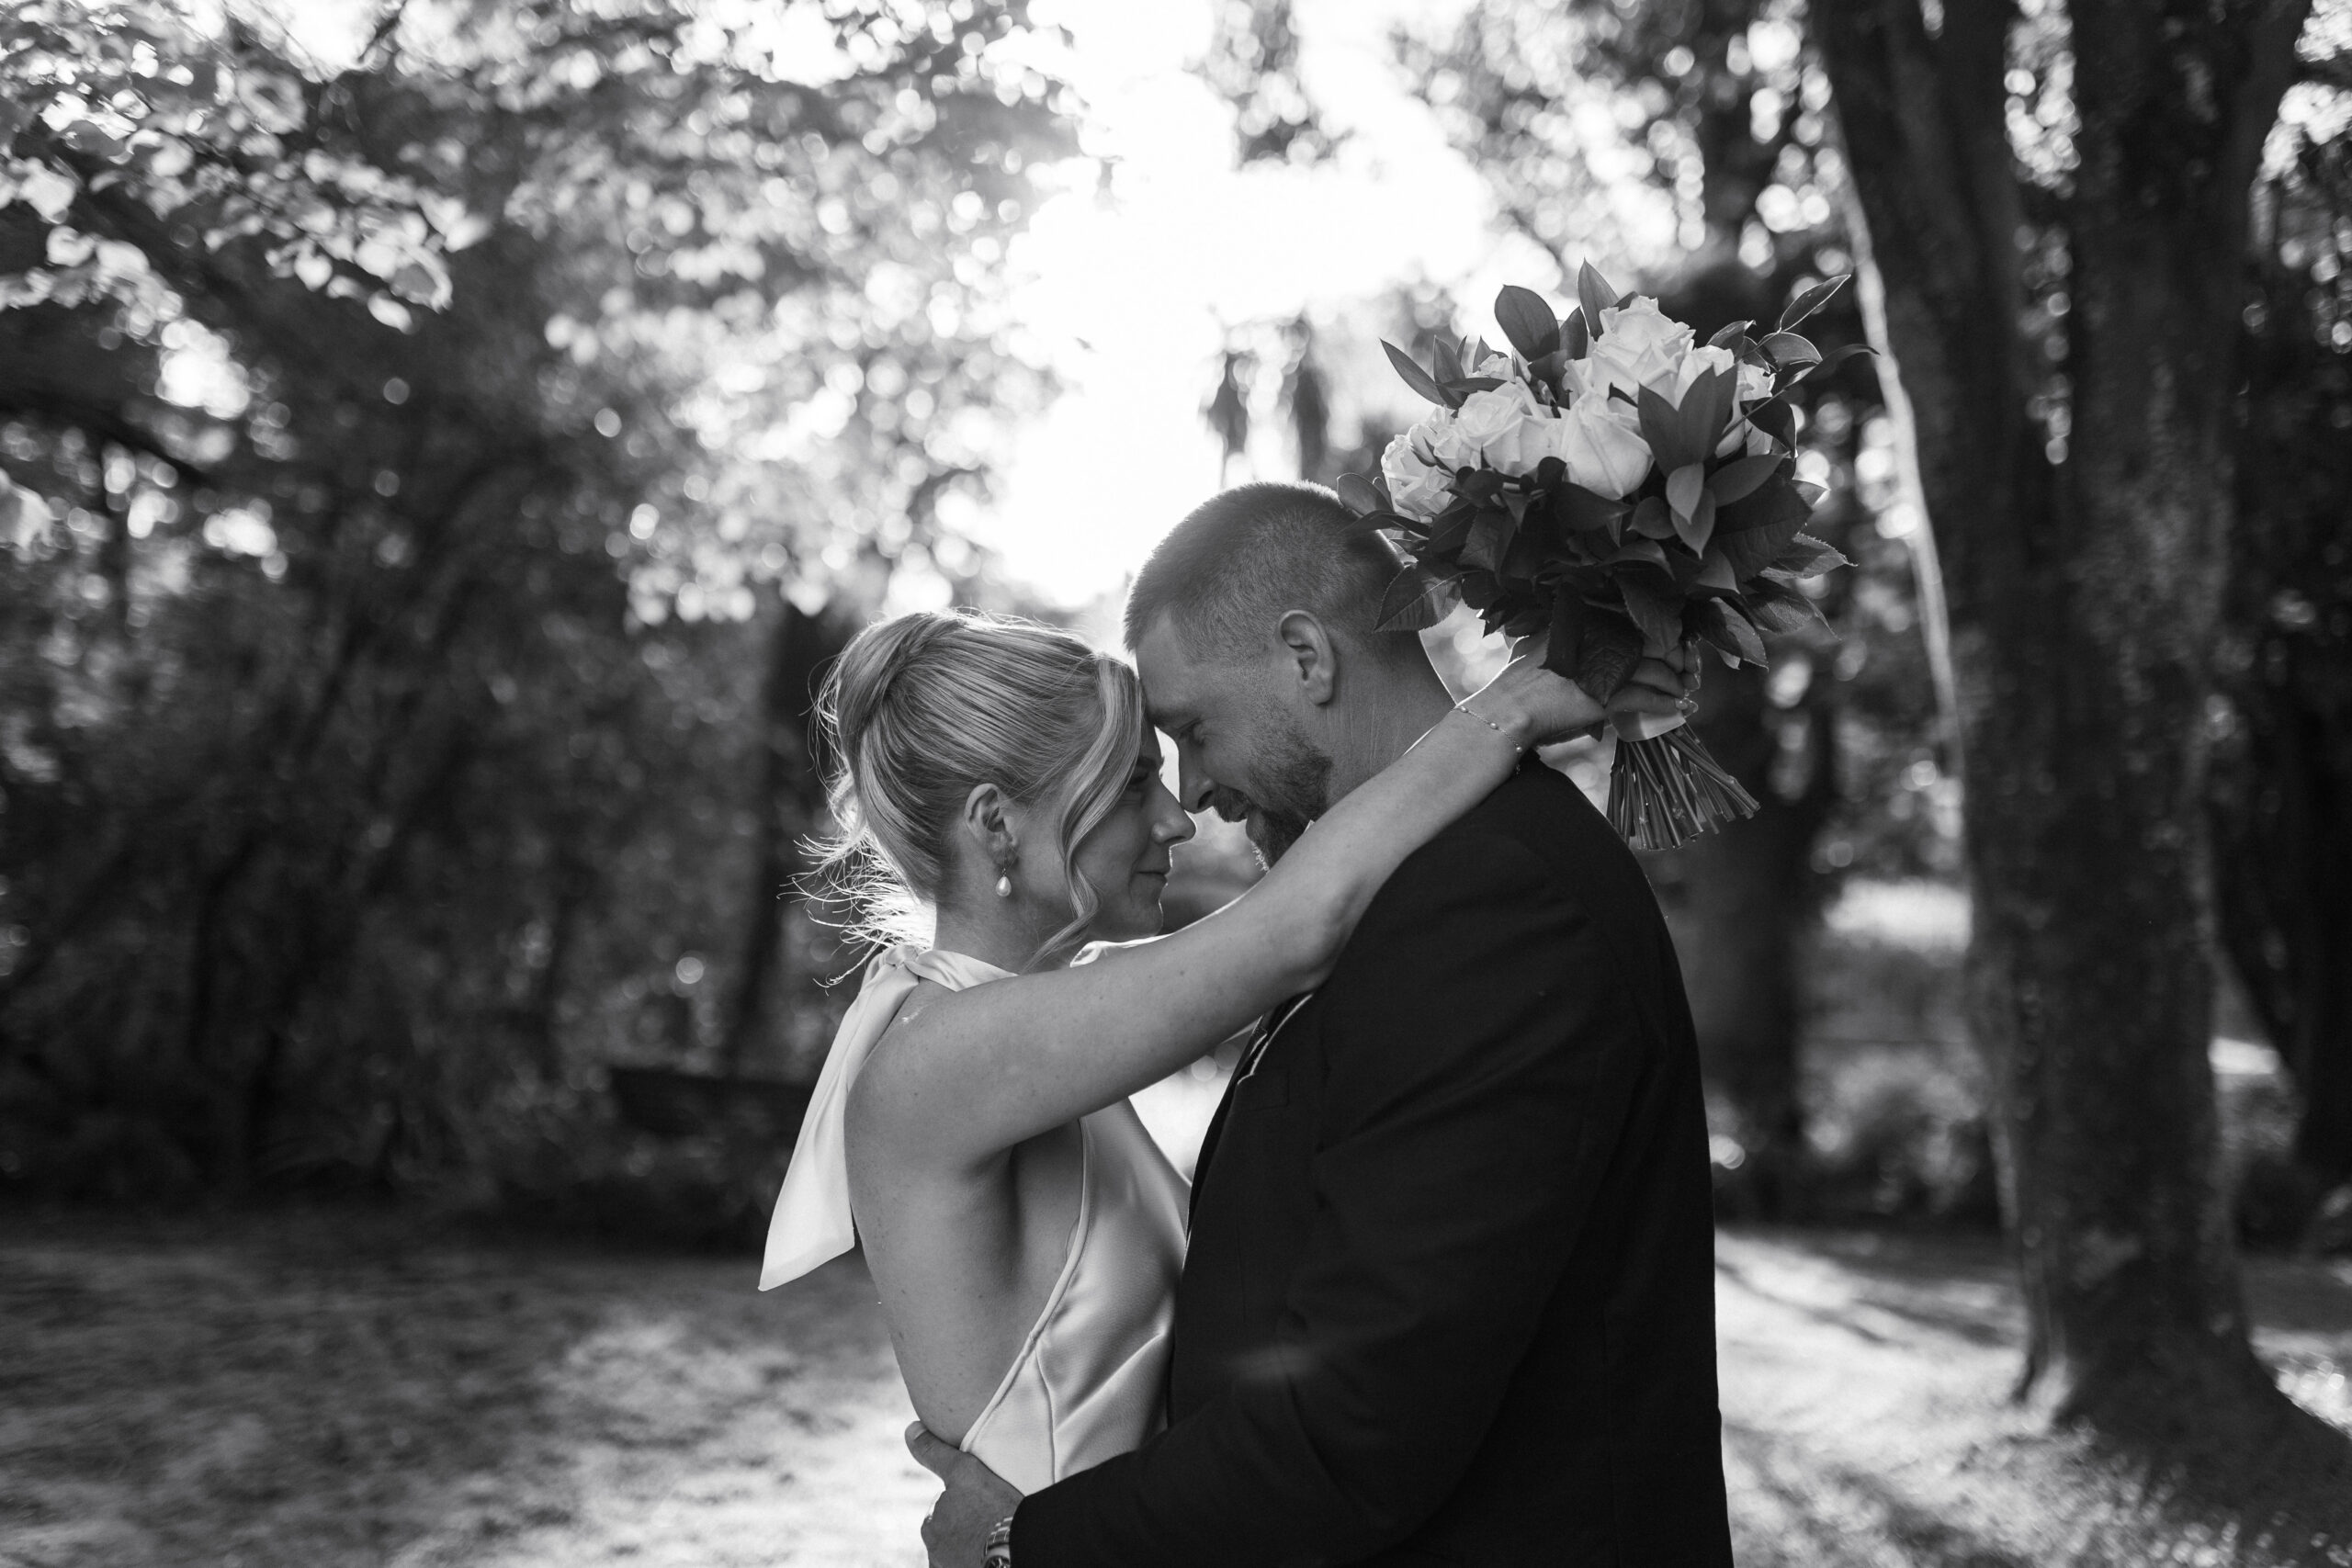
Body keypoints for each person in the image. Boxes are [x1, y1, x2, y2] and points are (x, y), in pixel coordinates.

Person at [910, 482, 1735, 1567]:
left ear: (1307, 657)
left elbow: (1358, 1430)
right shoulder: (1403, 889)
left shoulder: (1487, 902)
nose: (1190, 792)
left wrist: (1029, 1541)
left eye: (1191, 731)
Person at [760, 598, 1685, 1521]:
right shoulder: (946, 1054)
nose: (1177, 819)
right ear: (996, 825)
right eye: (1128, 785)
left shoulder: (1030, 1020)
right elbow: (1298, 926)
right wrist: (1507, 710)